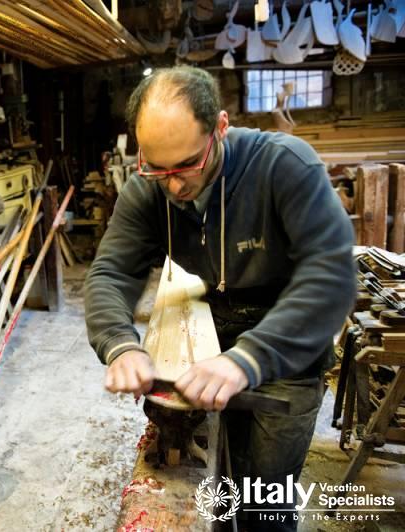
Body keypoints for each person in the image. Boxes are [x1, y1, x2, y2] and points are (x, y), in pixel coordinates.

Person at [84, 66, 355, 530]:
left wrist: (248, 359)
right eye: (157, 167)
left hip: (287, 345)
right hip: (211, 338)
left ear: (221, 128)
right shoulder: (150, 188)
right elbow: (111, 272)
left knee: (264, 505)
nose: (172, 184)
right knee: (222, 490)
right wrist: (120, 344)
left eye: (187, 164)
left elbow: (330, 276)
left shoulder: (284, 165)